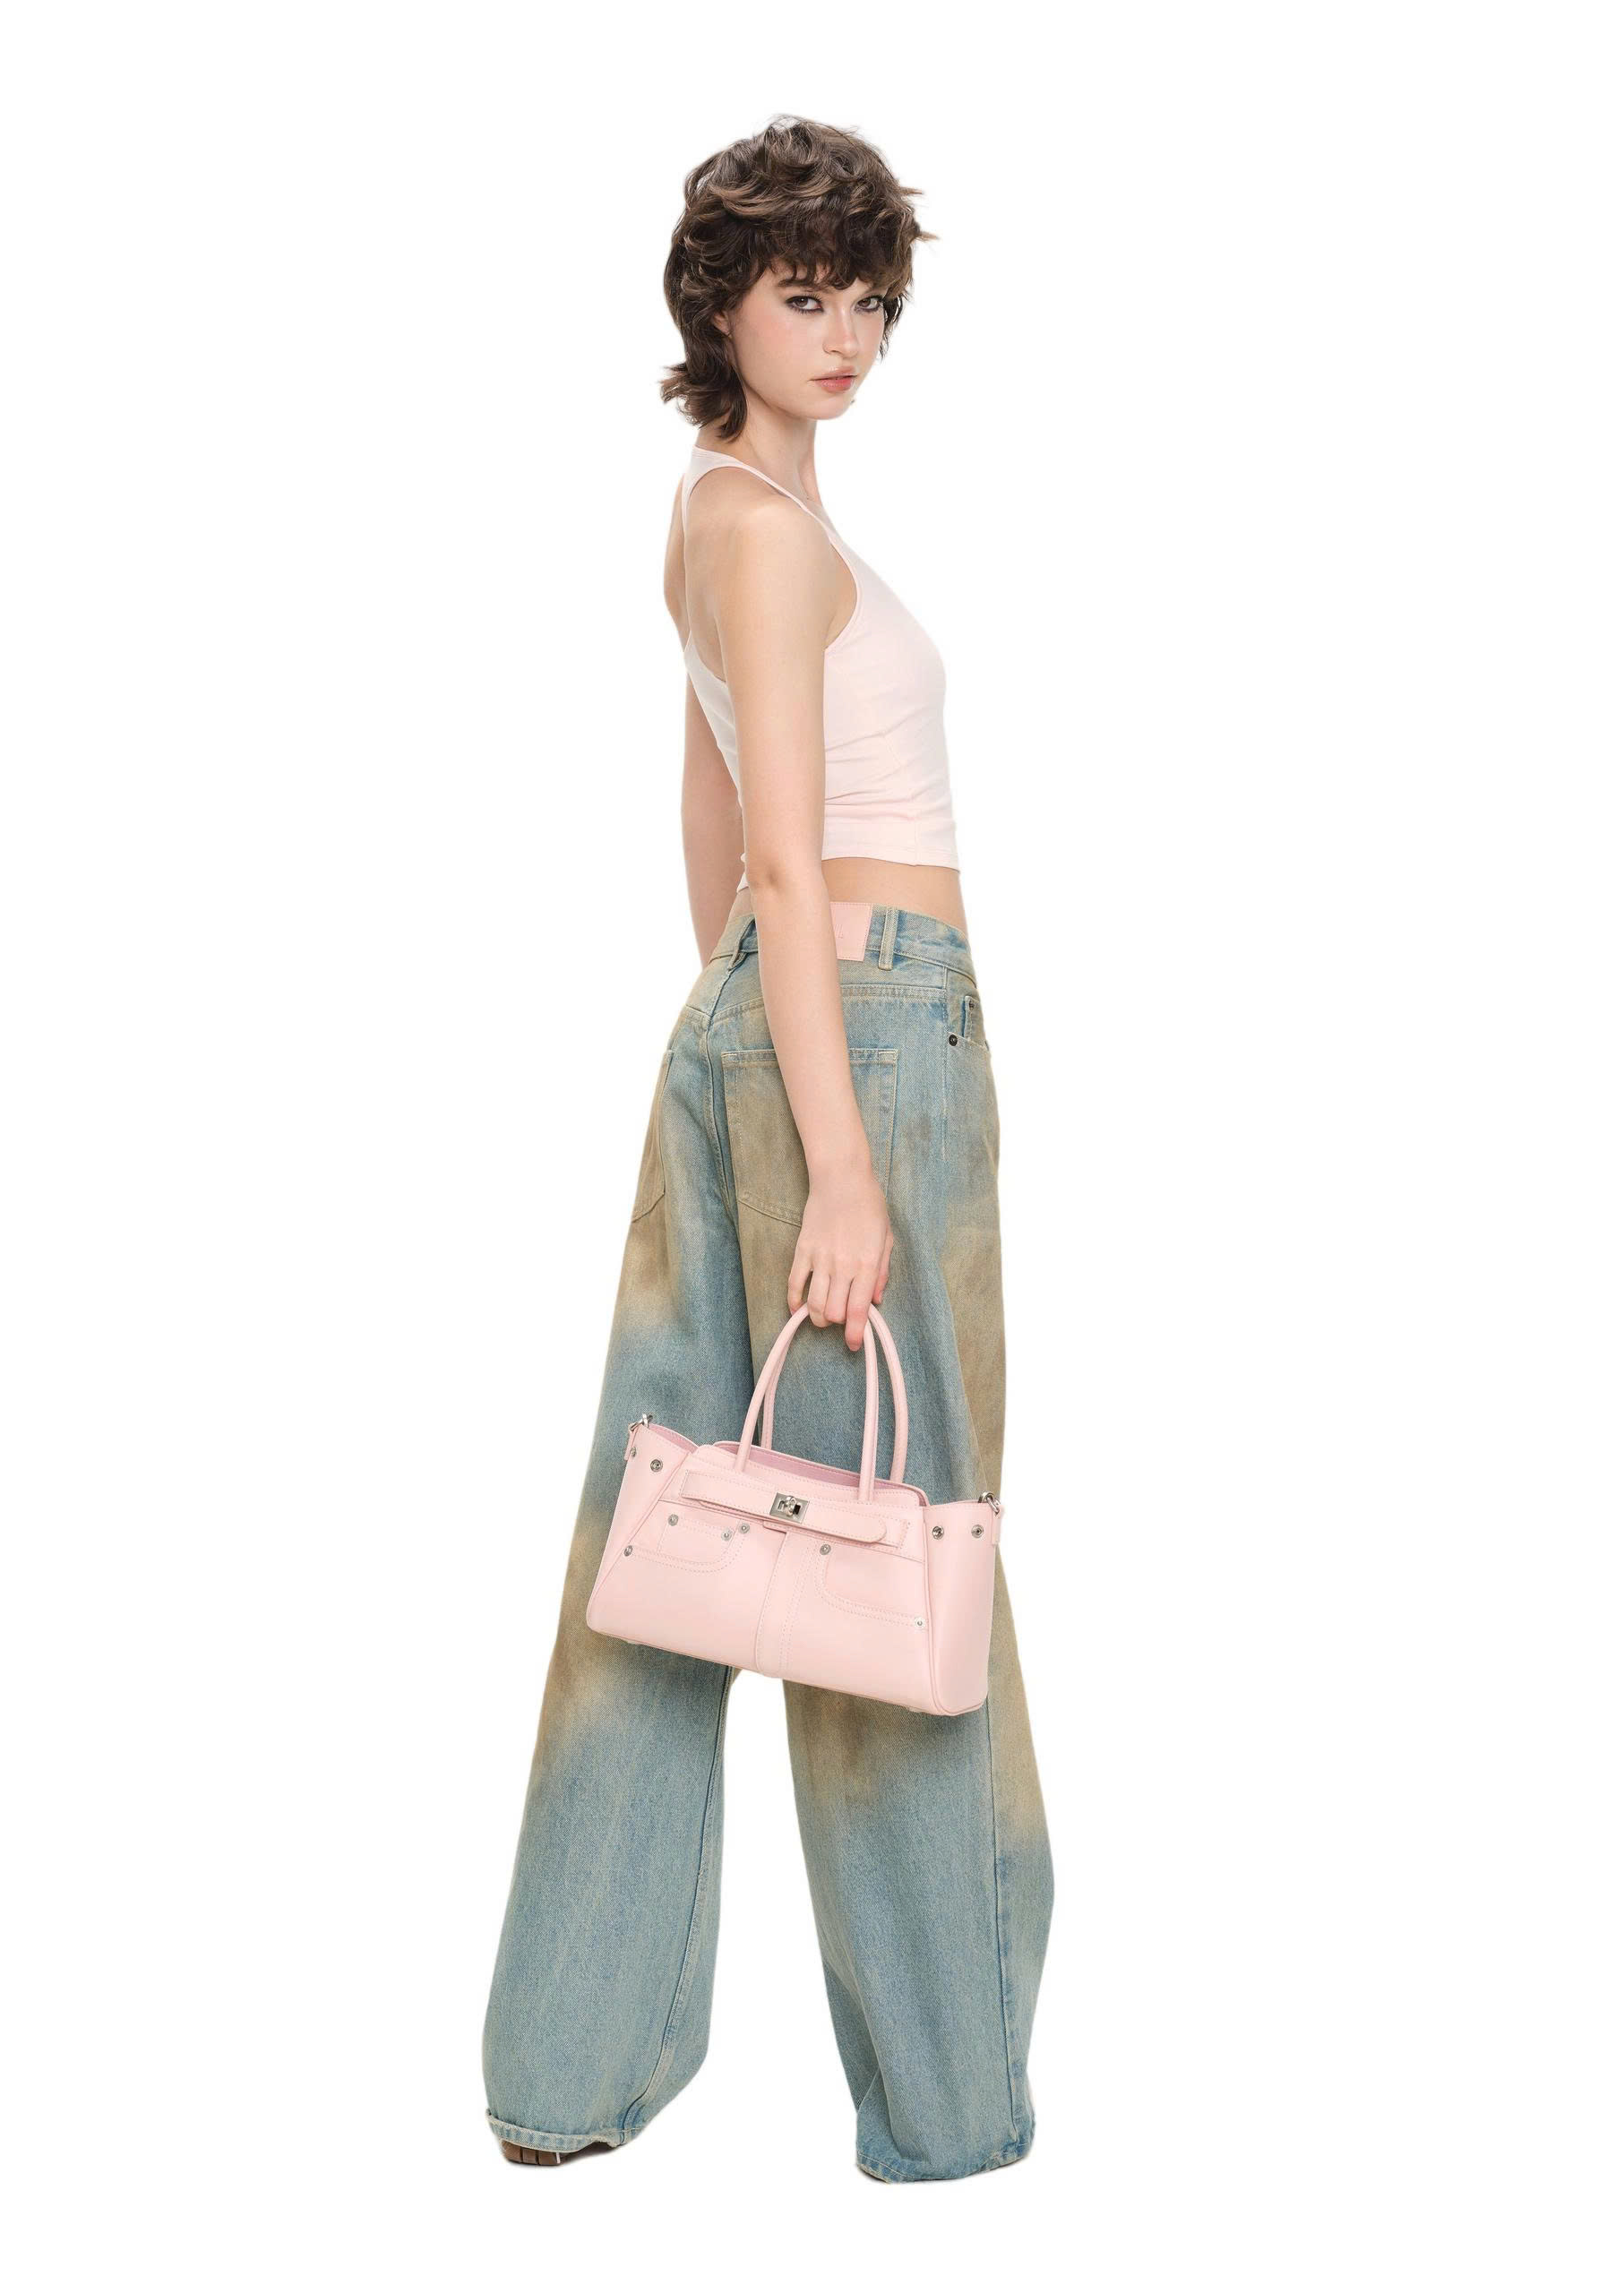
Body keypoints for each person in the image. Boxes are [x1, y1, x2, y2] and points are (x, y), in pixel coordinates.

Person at [480, 115, 1053, 2185]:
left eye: (870, 298)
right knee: (897, 1547)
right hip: (862, 1031)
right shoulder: (771, 533)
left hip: (768, 1021)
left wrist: (742, 1037)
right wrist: (836, 1148)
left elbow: (713, 828)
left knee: (668, 1544)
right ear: (716, 300)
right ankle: (951, 2101)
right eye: (806, 293)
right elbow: (788, 862)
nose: (847, 334)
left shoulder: (722, 511)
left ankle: (566, 2069)